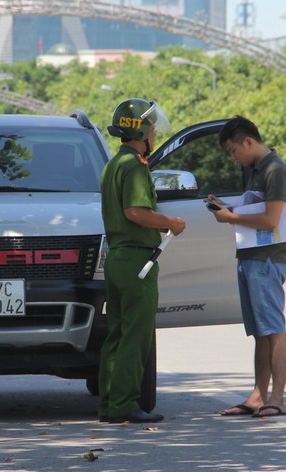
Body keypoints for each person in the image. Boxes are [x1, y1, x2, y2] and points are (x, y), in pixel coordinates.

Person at [98, 98, 186, 424]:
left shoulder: (113, 164)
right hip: (137, 260)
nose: (154, 134)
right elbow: (135, 212)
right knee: (136, 336)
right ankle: (124, 404)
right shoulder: (135, 165)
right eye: (151, 128)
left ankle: (109, 404)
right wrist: (170, 223)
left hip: (118, 258)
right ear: (142, 130)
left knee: (118, 334)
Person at [206, 115, 286, 418]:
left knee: (274, 330)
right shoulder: (252, 169)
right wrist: (230, 210)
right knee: (259, 332)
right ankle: (258, 395)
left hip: (267, 259)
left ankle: (277, 399)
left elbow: (271, 219)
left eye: (233, 151)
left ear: (248, 141)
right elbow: (255, 210)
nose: (233, 158)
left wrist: (231, 218)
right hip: (249, 255)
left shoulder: (275, 169)